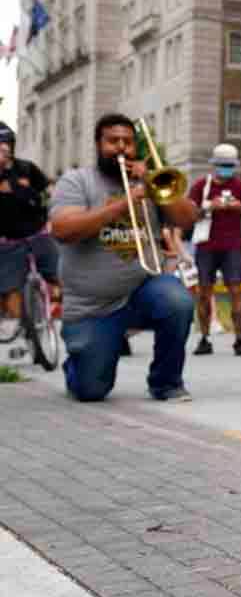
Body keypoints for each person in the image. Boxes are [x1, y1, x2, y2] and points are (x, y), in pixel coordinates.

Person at [48, 113, 199, 402]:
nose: (120, 148)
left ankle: (166, 383)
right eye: (112, 141)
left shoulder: (149, 184)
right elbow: (64, 230)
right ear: (97, 145)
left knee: (177, 301)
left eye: (127, 143)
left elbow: (188, 218)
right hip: (93, 306)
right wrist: (125, 203)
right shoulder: (77, 181)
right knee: (91, 391)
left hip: (141, 291)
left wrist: (154, 184)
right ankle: (79, 363)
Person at [0, 121, 60, 368]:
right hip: (8, 241)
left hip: (38, 233)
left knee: (57, 277)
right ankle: (24, 331)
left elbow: (49, 189)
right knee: (11, 290)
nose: (2, 149)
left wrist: (53, 207)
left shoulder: (26, 168)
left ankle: (50, 315)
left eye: (5, 144)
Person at [188, 144, 241, 357]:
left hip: (233, 246)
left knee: (236, 290)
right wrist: (209, 206)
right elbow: (188, 214)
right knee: (204, 293)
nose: (226, 169)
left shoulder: (240, 186)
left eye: (230, 166)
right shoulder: (201, 186)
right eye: (223, 165)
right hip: (206, 245)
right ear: (214, 165)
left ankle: (239, 339)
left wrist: (239, 207)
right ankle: (205, 338)